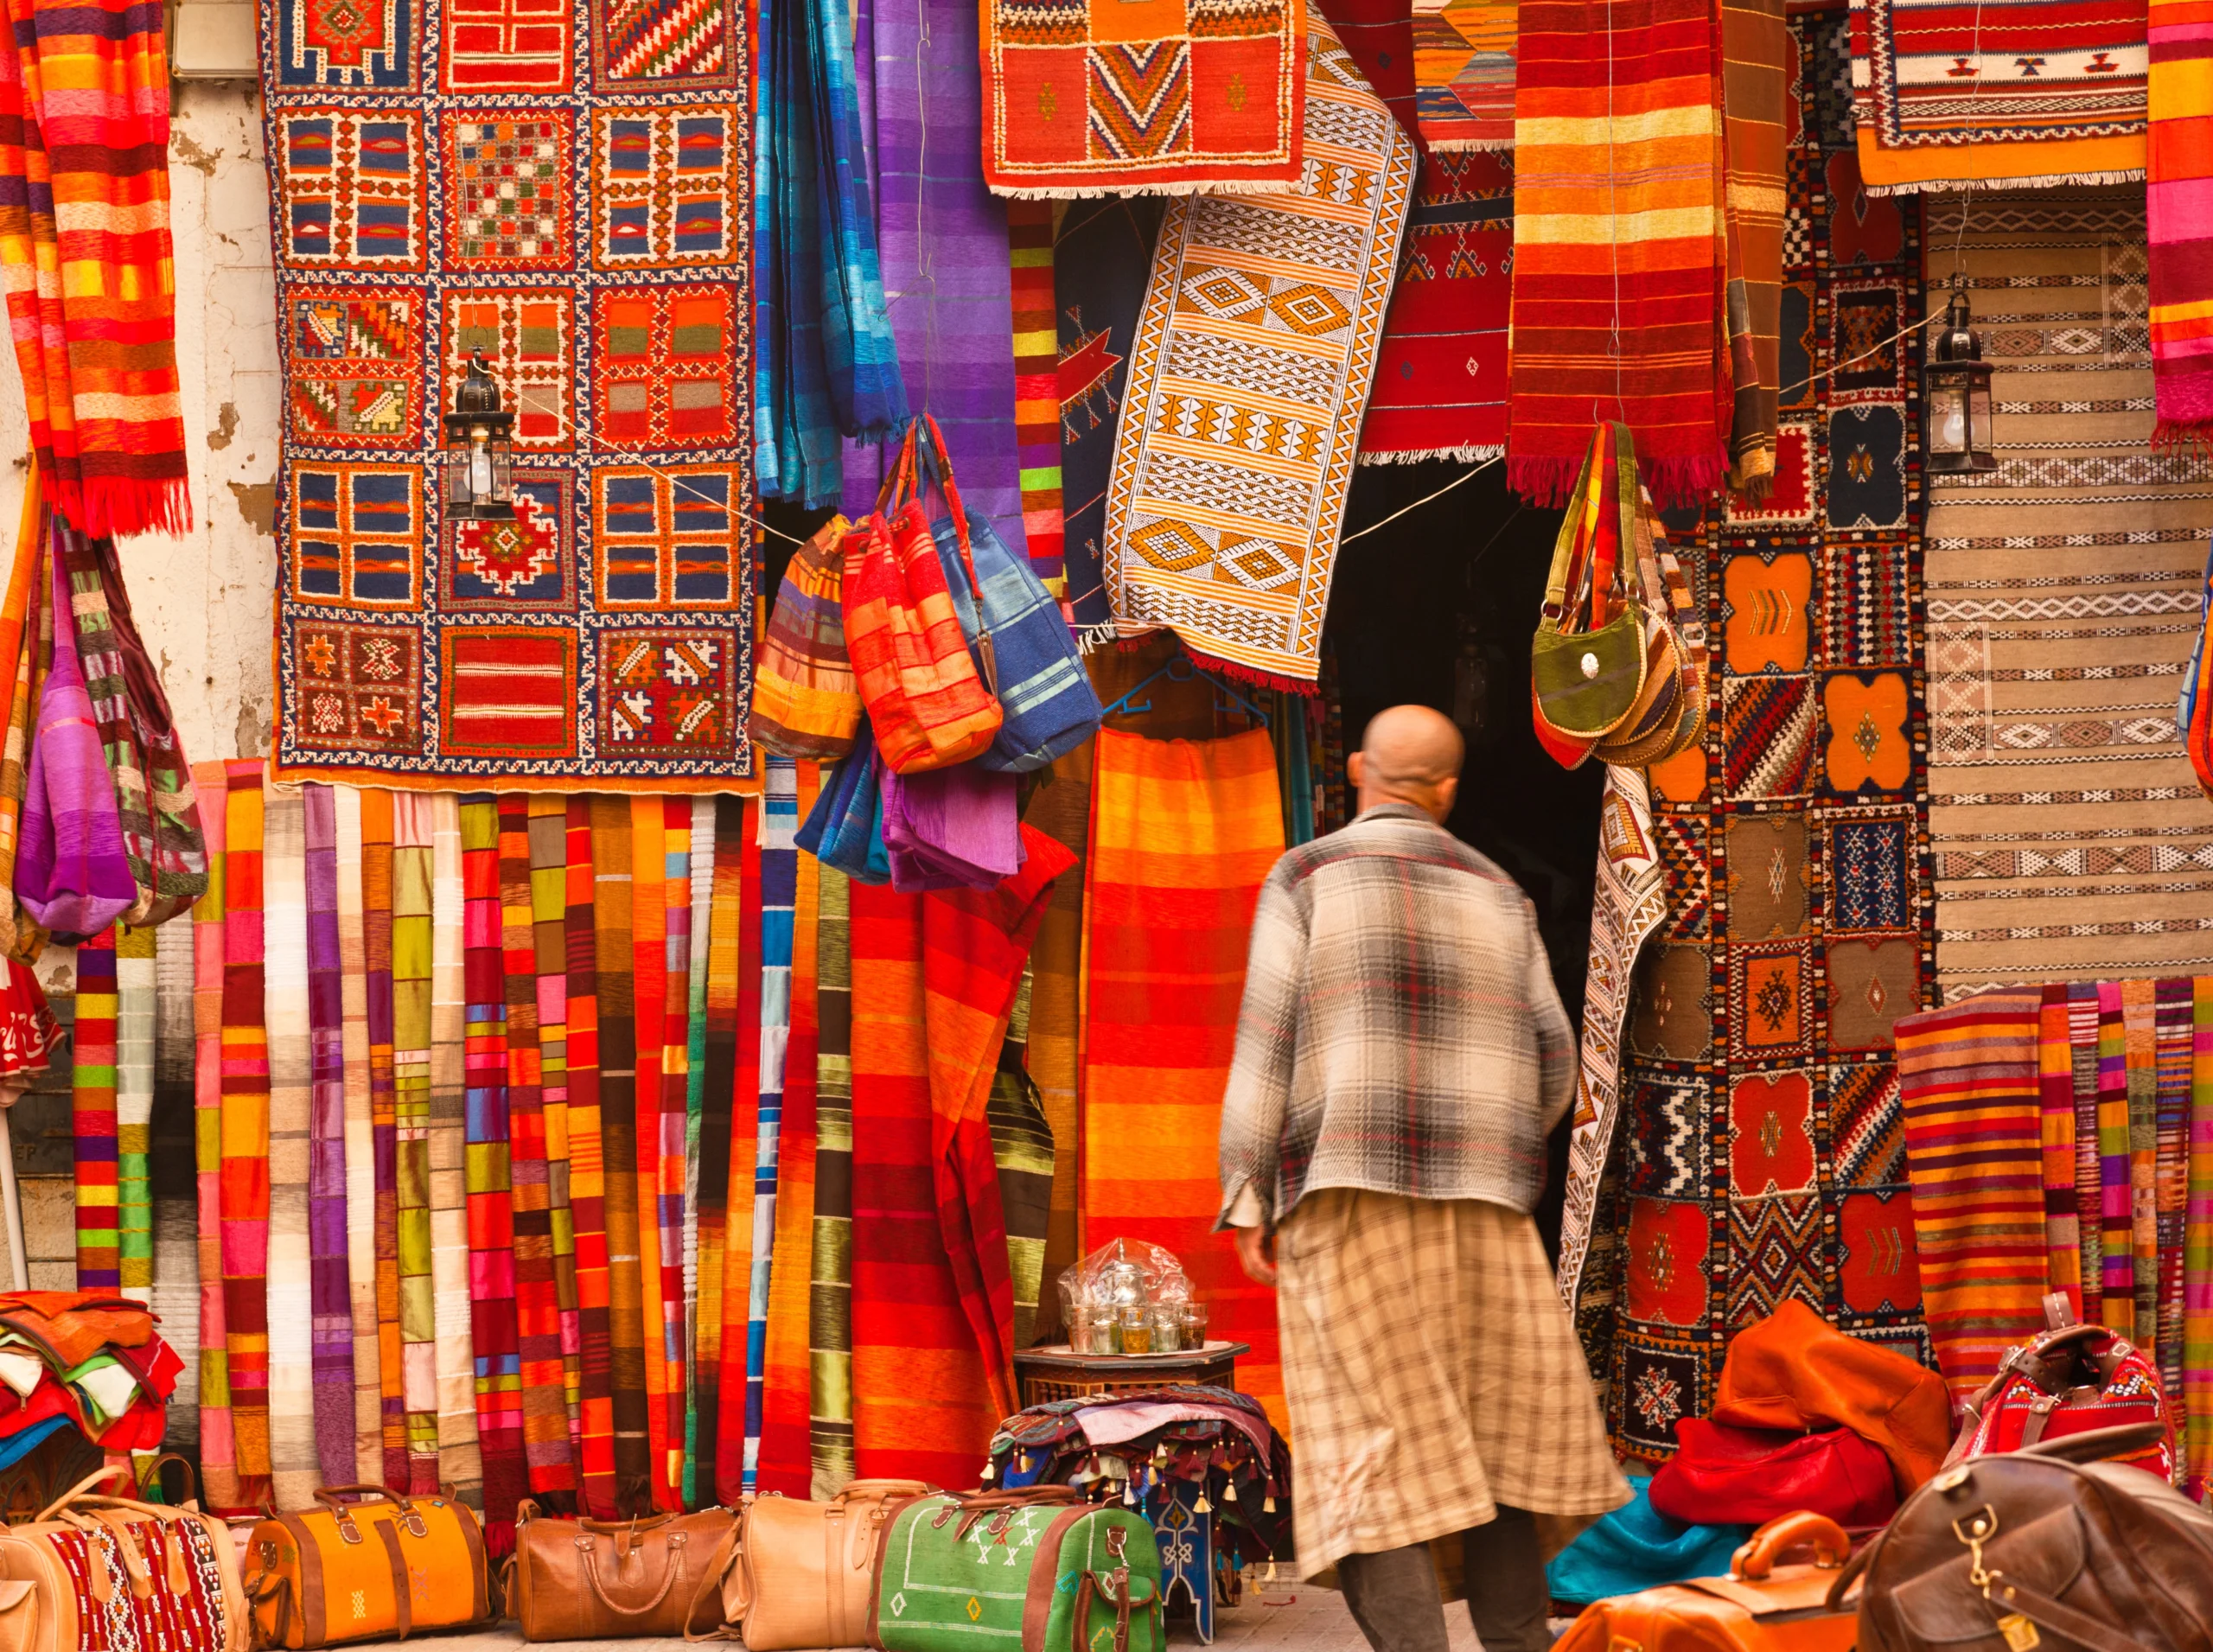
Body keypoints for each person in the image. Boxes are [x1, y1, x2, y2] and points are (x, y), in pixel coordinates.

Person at [1218, 704, 1626, 1652]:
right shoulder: (1497, 891)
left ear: (1359, 771)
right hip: (1485, 1207)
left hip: (1348, 1199)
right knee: (1496, 1443)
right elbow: (1555, 1060)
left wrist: (1248, 1191)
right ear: (1446, 790)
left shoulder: (1306, 875)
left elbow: (1266, 1040)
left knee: (1368, 1447)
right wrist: (1487, 1147)